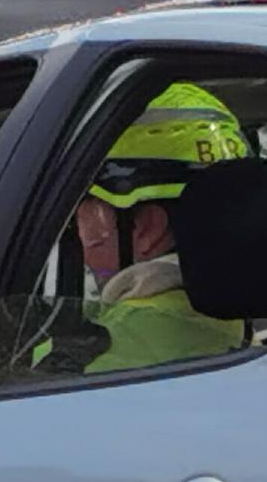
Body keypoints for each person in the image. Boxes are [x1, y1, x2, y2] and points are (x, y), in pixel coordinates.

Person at [55, 80, 252, 373]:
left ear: (146, 228)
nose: (82, 242)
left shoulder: (122, 341)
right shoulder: (236, 315)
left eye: (86, 219)